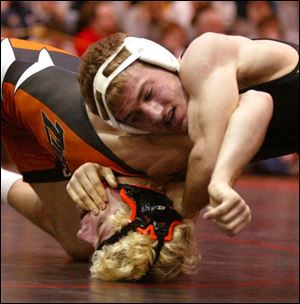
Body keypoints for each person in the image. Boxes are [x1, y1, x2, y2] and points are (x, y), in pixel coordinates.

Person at [1, 36, 200, 282]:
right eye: (101, 231)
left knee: (78, 245)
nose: (89, 235)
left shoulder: (152, 168)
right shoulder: (152, 151)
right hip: (13, 74)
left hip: (33, 119)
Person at [78, 31, 298, 227]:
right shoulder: (179, 134)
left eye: (148, 92)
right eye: (136, 117)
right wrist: (93, 172)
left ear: (161, 62)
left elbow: (207, 160)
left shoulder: (202, 56)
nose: (156, 113)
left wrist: (185, 207)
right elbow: (255, 105)